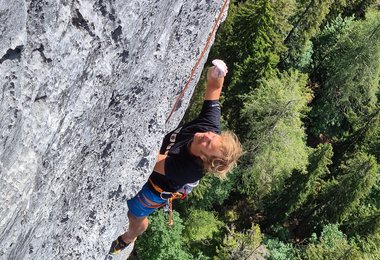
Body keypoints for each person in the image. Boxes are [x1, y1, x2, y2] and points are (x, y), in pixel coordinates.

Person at [108, 59, 243, 255]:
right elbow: (214, 88)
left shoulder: (189, 170)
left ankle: (130, 237)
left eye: (207, 144)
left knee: (134, 214)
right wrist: (218, 73)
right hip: (162, 162)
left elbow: (148, 163)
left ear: (205, 159)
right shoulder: (210, 129)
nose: (206, 136)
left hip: (158, 185)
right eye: (213, 136)